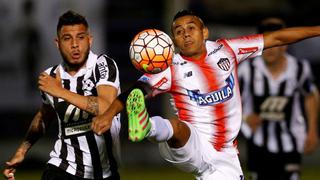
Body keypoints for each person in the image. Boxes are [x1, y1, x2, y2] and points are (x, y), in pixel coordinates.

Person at [92, 10, 320, 180]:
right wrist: (108, 115)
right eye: (179, 32)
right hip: (193, 144)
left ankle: (149, 126)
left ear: (204, 32)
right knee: (178, 128)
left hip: (225, 155)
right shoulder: (172, 68)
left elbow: (277, 38)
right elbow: (134, 92)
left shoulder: (228, 49)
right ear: (174, 41)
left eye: (191, 28)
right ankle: (146, 126)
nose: (186, 35)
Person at [3, 10, 121, 180]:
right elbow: (44, 116)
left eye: (81, 37)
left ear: (90, 40)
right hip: (63, 167)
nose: (75, 44)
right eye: (67, 39)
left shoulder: (103, 65)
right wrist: (22, 151)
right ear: (57, 43)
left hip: (105, 172)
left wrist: (60, 92)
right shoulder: (50, 77)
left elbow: (107, 107)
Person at [238, 17, 319, 180]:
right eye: (268, 44)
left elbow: (310, 96)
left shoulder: (300, 68)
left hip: (290, 141)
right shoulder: (247, 70)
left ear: (286, 44)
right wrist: (245, 118)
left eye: (276, 44)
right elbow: (227, 102)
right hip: (257, 142)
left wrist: (312, 131)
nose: (271, 49)